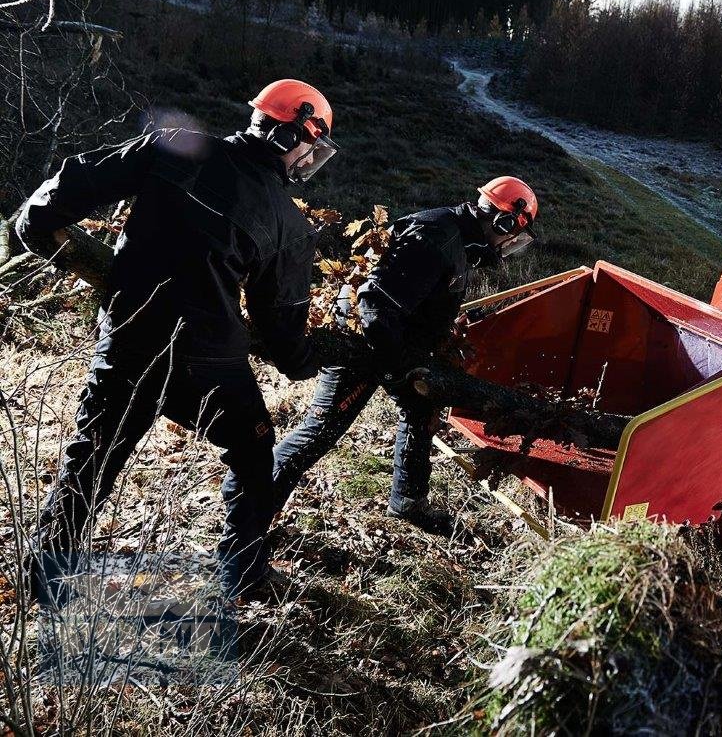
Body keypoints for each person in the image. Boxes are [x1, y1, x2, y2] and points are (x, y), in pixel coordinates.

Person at [16, 79, 339, 601]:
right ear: (293, 136)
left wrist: (35, 223)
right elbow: (283, 333)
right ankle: (243, 576)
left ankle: (43, 578)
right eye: (310, 143)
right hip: (208, 363)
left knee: (93, 456)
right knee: (255, 454)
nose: (308, 158)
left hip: (128, 337)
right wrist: (307, 361)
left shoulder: (173, 146)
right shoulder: (287, 223)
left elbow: (78, 178)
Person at [270, 177, 539, 530]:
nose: (508, 244)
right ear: (503, 221)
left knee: (421, 408)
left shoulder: (460, 239)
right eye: (511, 234)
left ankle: (408, 502)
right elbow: (375, 306)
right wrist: (400, 370)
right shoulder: (437, 238)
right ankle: (252, 502)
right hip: (364, 342)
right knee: (321, 431)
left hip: (395, 339)